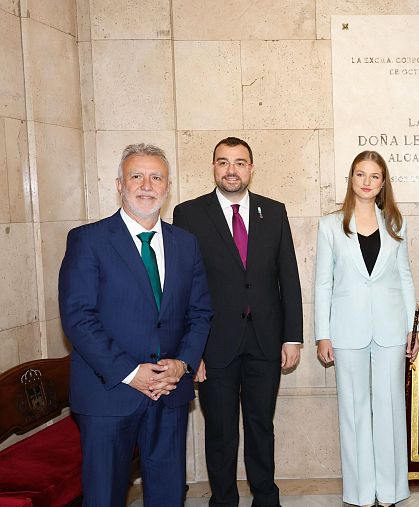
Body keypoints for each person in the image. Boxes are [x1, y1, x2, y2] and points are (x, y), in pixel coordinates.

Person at [59, 143, 212, 506]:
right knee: (104, 496)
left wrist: (182, 364)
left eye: (156, 177)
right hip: (108, 394)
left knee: (168, 495)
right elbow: (79, 317)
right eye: (137, 176)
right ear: (119, 184)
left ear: (167, 186)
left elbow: (201, 312)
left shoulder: (186, 244)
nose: (147, 185)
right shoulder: (88, 240)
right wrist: (131, 372)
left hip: (169, 391)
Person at [172, 137, 303, 507]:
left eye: (240, 162)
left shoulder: (274, 212)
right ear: (213, 167)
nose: (232, 170)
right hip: (214, 344)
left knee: (262, 426)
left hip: (265, 340)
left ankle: (266, 498)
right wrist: (189, 351)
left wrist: (292, 337)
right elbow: (183, 287)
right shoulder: (189, 214)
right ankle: (224, 500)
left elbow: (287, 277)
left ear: (251, 168)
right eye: (224, 162)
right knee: (220, 430)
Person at [314, 150, 418, 507]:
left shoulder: (395, 222)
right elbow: (322, 284)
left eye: (374, 176)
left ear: (383, 182)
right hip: (346, 331)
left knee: (390, 407)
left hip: (391, 329)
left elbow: (405, 277)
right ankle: (360, 493)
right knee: (354, 411)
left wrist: (411, 327)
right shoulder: (330, 225)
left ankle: (390, 492)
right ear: (351, 179)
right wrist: (322, 333)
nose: (367, 181)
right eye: (361, 174)